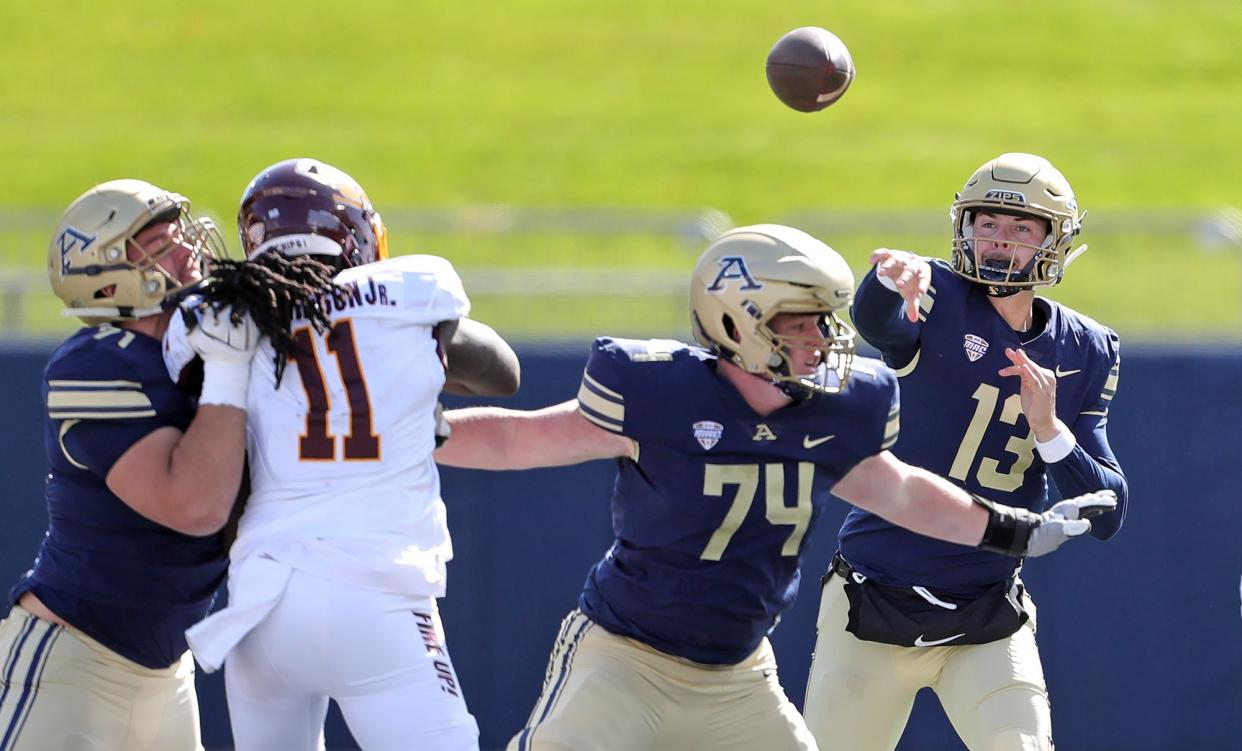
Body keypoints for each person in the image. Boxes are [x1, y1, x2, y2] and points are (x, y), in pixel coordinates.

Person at [433, 223, 1116, 751]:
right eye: (801, 320)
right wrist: (400, 437)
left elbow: (905, 493)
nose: (823, 337)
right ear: (738, 318)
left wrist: (1021, 528)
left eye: (824, 318)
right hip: (624, 655)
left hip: (739, 674)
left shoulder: (835, 406)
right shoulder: (657, 390)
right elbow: (515, 440)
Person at [180, 157, 521, 751]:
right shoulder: (410, 299)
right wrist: (413, 389)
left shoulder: (224, 318)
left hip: (262, 603)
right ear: (356, 234)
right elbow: (501, 373)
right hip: (376, 595)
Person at [802, 153, 1129, 751]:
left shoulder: (1086, 346)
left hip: (987, 617)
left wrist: (1051, 430)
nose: (999, 241)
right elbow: (878, 321)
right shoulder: (936, 295)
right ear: (963, 227)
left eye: (1020, 228)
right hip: (874, 606)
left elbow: (1107, 513)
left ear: (1054, 240)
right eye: (987, 224)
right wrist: (885, 283)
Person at [0, 179, 261, 750]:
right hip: (72, 663)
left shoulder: (211, 347)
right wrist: (228, 368)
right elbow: (192, 507)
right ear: (109, 273)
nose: (190, 252)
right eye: (164, 245)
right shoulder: (92, 367)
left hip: (169, 673)